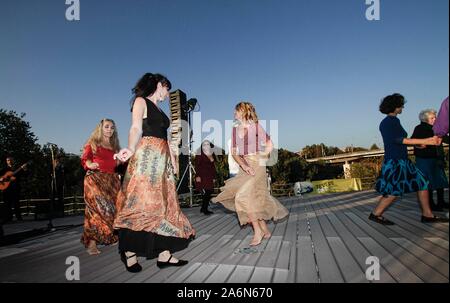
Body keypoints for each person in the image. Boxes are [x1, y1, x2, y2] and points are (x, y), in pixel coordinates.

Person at [114, 73, 195, 273]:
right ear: (160, 85)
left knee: (165, 204)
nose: (168, 94)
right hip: (147, 158)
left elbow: (164, 137)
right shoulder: (141, 102)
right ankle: (129, 252)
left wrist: (173, 159)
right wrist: (130, 149)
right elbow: (135, 128)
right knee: (143, 202)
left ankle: (164, 254)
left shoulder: (159, 108)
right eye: (167, 89)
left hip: (163, 159)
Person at [212, 102, 289, 246]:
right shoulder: (235, 130)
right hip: (244, 166)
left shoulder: (255, 126)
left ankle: (257, 231)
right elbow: (234, 152)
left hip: (257, 165)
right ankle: (264, 229)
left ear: (243, 111)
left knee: (244, 196)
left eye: (236, 110)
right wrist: (244, 165)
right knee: (253, 198)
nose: (234, 113)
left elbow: (269, 144)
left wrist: (261, 157)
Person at [370, 93, 448, 225]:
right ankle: (375, 214)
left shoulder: (394, 120)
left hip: (403, 160)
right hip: (395, 162)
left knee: (422, 183)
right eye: (401, 105)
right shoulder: (388, 122)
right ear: (395, 106)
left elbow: (400, 141)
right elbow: (398, 139)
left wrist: (417, 144)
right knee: (393, 191)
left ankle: (427, 215)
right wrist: (427, 141)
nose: (403, 107)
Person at [80, 119, 121, 255]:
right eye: (107, 127)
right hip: (95, 178)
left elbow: (119, 164)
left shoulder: (115, 146)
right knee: (95, 210)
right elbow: (86, 159)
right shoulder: (93, 143)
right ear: (101, 128)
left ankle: (110, 235)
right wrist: (90, 164)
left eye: (112, 128)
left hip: (112, 181)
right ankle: (91, 243)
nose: (109, 129)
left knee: (112, 210)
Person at [412, 109, 449, 211]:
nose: (435, 119)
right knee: (428, 182)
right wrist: (420, 145)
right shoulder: (419, 128)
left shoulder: (437, 127)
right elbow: (414, 141)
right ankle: (431, 204)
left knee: (440, 181)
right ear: (425, 119)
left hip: (437, 158)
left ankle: (441, 202)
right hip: (424, 159)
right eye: (432, 118)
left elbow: (446, 139)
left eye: (435, 117)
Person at [0, 156, 26, 222]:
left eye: (11, 160)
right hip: (6, 188)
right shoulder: (4, 169)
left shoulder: (17, 168)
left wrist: (24, 169)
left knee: (16, 204)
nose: (10, 161)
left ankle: (19, 218)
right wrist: (1, 179)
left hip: (15, 188)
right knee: (7, 204)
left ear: (13, 161)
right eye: (8, 160)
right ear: (6, 161)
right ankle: (8, 218)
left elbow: (25, 175)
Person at [195, 140, 217, 215]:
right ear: (202, 145)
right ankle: (204, 209)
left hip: (210, 175)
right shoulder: (199, 154)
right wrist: (197, 176)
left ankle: (203, 208)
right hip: (202, 175)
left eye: (207, 144)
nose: (206, 145)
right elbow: (197, 166)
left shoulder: (211, 153)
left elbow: (213, 166)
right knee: (207, 192)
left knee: (209, 192)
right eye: (204, 144)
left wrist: (214, 177)